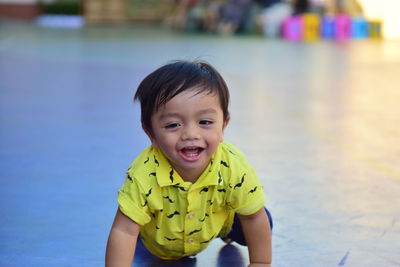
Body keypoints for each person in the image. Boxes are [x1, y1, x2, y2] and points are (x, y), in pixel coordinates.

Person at [105, 60, 273, 267]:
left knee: (262, 218)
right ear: (151, 134)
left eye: (205, 122)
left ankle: (226, 233)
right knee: (137, 234)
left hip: (216, 221)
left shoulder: (233, 166)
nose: (191, 135)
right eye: (173, 125)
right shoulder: (143, 174)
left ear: (223, 126)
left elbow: (254, 218)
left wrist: (261, 263)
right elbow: (124, 230)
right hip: (158, 242)